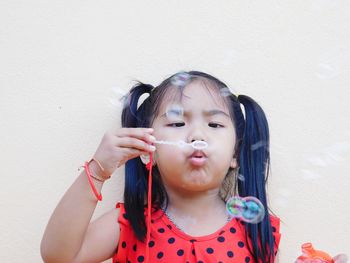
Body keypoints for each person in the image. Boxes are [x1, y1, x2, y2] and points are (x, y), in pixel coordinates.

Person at [41, 71, 281, 263]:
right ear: (149, 149)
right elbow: (59, 257)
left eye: (215, 124)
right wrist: (98, 170)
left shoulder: (259, 232)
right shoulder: (130, 223)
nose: (197, 134)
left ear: (235, 153)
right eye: (177, 123)